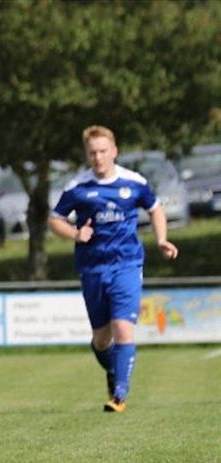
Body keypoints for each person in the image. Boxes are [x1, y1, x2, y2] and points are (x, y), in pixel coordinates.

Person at [49, 125, 178, 413]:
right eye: (92, 153)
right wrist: (74, 234)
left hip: (127, 264)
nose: (98, 157)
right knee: (101, 339)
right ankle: (113, 371)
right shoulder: (77, 188)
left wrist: (161, 240)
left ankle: (119, 395)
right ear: (87, 155)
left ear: (114, 151)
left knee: (123, 328)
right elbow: (55, 219)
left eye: (103, 151)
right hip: (93, 268)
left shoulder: (134, 183)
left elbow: (155, 209)